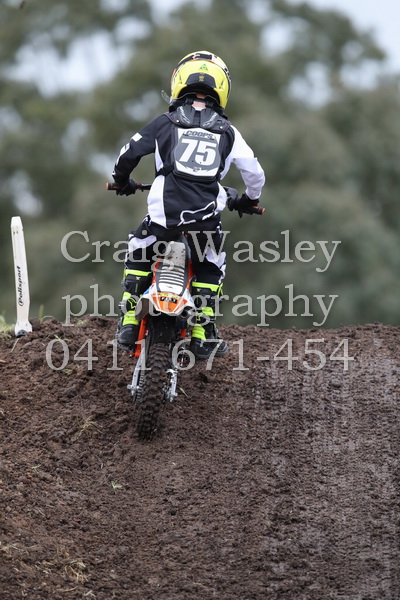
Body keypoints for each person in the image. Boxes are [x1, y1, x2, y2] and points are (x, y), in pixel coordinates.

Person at [112, 50, 265, 359]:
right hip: (205, 220)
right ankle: (202, 332)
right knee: (211, 264)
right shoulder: (228, 132)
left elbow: (128, 153)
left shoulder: (164, 122)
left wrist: (121, 180)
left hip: (163, 216)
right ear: (222, 89)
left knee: (139, 251)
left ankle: (129, 320)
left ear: (178, 82)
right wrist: (249, 199)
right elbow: (254, 173)